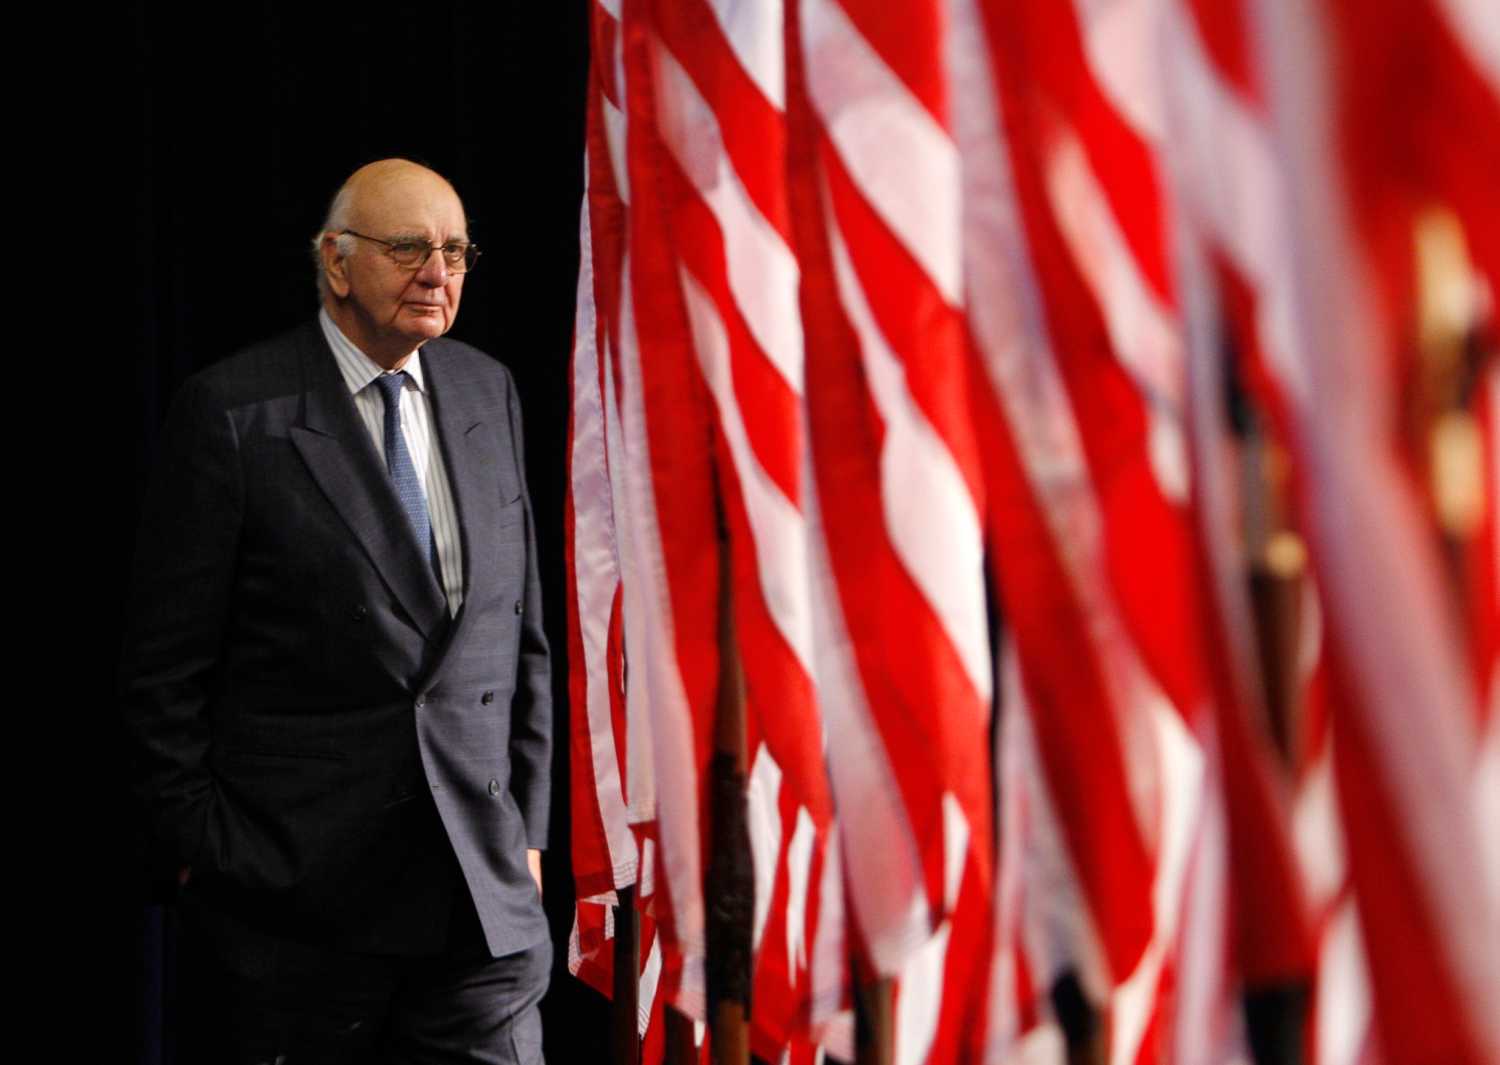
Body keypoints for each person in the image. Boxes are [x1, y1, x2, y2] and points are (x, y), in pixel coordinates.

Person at [120, 158, 553, 1063]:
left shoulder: (488, 389)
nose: (437, 272)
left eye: (456, 250)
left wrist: (528, 831)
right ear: (336, 262)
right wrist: (208, 851)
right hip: (295, 914)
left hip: (480, 903)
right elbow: (164, 673)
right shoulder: (237, 413)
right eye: (408, 248)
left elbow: (523, 643)